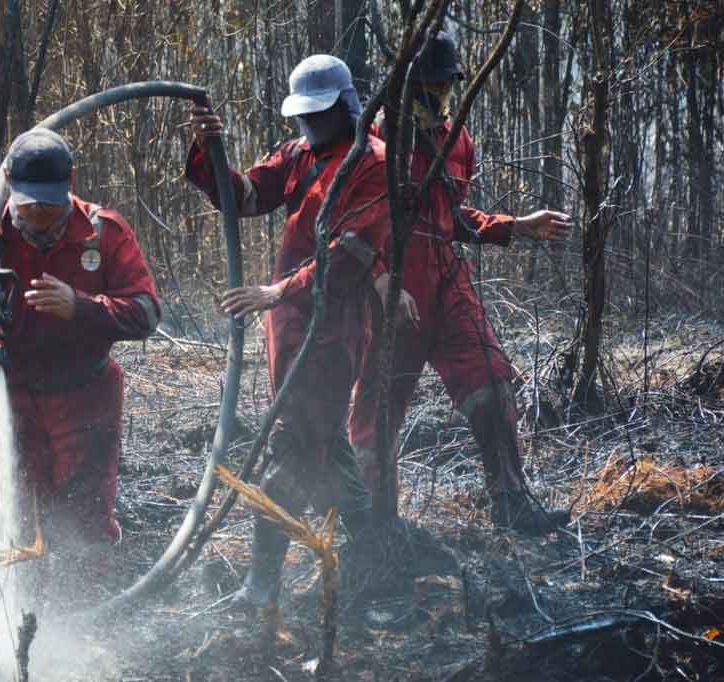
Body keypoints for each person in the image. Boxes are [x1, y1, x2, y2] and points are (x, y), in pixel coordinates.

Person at [349, 31, 572, 534]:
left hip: (448, 281)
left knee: (490, 377)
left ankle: (511, 503)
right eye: (433, 87)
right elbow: (356, 224)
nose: (442, 99)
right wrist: (384, 278)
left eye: (448, 88)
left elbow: (450, 217)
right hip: (394, 286)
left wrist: (514, 226)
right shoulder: (378, 143)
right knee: (377, 407)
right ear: (409, 88)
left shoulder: (458, 139)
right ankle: (373, 524)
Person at [188, 55, 389, 609]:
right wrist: (211, 152)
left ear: (348, 106)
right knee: (325, 438)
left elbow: (351, 253)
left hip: (332, 321)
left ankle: (263, 583)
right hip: (292, 322)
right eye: (305, 117)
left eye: (321, 116)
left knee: (294, 445)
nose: (311, 127)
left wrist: (279, 291)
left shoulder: (371, 163)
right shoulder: (300, 154)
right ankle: (378, 555)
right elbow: (247, 196)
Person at [0, 128, 161, 558]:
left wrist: (82, 307)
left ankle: (85, 614)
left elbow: (147, 312)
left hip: (85, 397)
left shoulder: (104, 233)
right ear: (9, 183)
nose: (39, 220)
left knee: (86, 519)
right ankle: (25, 618)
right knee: (19, 517)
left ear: (70, 184)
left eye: (50, 209)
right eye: (29, 208)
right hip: (13, 397)